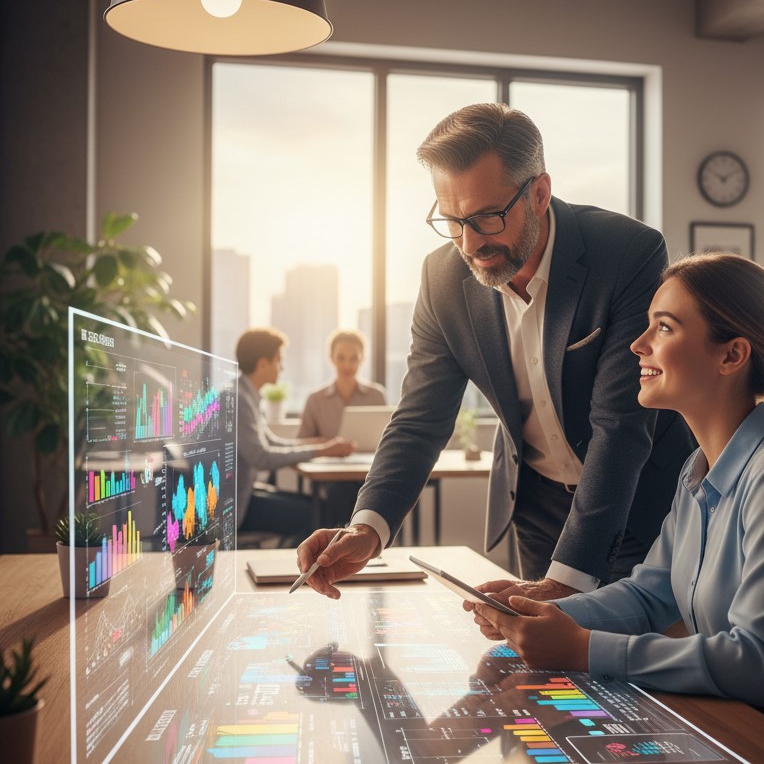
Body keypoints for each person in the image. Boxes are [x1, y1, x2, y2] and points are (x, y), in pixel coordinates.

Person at [470, 253, 764, 756]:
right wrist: (543, 610)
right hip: (748, 716)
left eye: (664, 328)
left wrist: (583, 648)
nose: (638, 344)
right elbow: (649, 595)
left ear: (731, 356)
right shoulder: (699, 467)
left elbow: (758, 662)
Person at [298, 103, 694, 600]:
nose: (469, 244)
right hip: (537, 503)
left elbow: (619, 426)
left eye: (487, 217)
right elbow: (421, 416)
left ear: (539, 193)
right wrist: (366, 528)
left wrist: (565, 581)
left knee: (636, 662)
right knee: (550, 671)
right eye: (452, 221)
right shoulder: (441, 277)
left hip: (638, 500)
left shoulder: (626, 253)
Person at [235, 328, 355, 545]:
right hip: (236, 506)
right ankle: (302, 569)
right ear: (263, 364)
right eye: (279, 360)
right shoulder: (240, 400)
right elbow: (261, 457)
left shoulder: (246, 396)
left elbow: (271, 442)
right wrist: (321, 450)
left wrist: (318, 443)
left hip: (246, 494)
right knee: (319, 515)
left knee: (320, 507)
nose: (282, 367)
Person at [299, 328, 387, 525]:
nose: (347, 364)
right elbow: (301, 442)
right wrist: (330, 446)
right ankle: (341, 546)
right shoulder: (316, 399)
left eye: (354, 358)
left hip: (368, 471)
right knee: (342, 491)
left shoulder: (376, 395)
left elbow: (386, 438)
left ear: (362, 359)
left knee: (380, 492)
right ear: (331, 358)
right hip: (331, 475)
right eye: (341, 357)